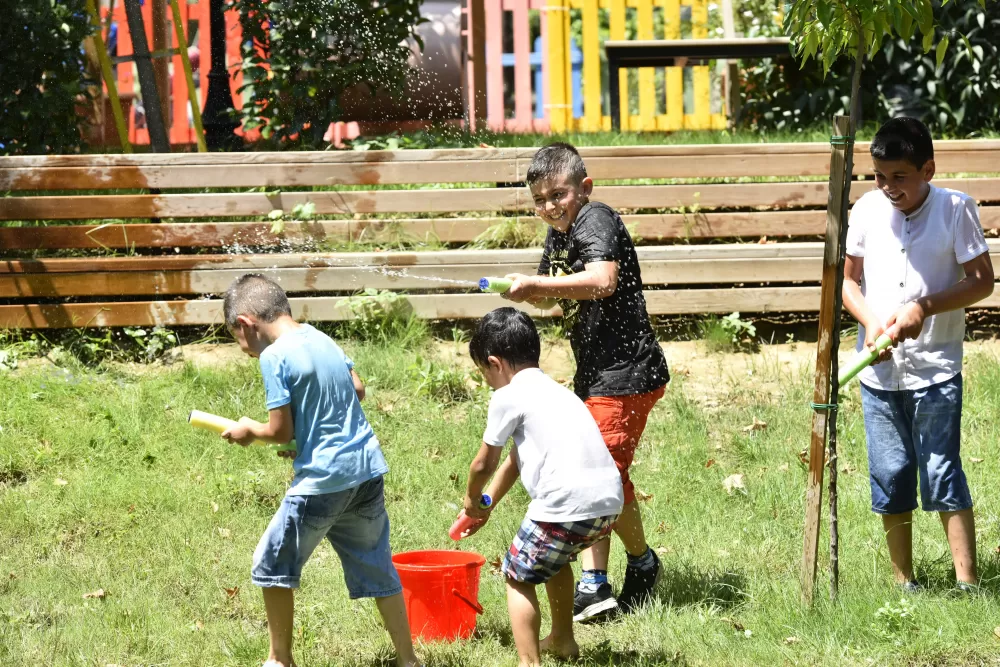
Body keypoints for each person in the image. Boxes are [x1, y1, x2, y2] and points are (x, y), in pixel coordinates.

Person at [502, 142, 670, 620]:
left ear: (585, 188)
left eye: (558, 195)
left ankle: (603, 580)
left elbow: (601, 281)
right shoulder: (559, 235)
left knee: (603, 475)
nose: (549, 206)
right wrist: (524, 291)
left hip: (627, 372)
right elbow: (550, 295)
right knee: (604, 472)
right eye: (539, 200)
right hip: (596, 374)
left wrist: (537, 286)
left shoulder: (595, 219)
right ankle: (634, 564)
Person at [219, 274, 420, 667]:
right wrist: (307, 436)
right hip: (365, 470)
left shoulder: (273, 356)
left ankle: (280, 660)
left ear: (245, 323)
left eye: (238, 340)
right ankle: (408, 659)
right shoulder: (320, 337)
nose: (245, 350)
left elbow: (278, 431)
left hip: (324, 481)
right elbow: (357, 388)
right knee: (377, 564)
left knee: (271, 564)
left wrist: (249, 430)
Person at [843, 117, 994, 592]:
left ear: (928, 170)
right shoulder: (866, 210)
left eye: (899, 176)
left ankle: (967, 583)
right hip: (879, 374)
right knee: (890, 472)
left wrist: (923, 307)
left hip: (935, 369)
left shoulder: (955, 209)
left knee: (941, 469)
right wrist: (871, 326)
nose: (888, 186)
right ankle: (903, 582)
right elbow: (848, 283)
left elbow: (982, 281)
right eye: (879, 175)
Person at [459, 307, 624, 667]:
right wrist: (486, 505)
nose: (488, 382)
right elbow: (515, 461)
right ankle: (563, 641)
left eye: (485, 374)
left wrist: (471, 499)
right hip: (608, 504)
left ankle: (528, 662)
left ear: (494, 363)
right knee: (553, 559)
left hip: (563, 504)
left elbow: (483, 464)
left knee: (517, 576)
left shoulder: (508, 396)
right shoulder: (560, 393)